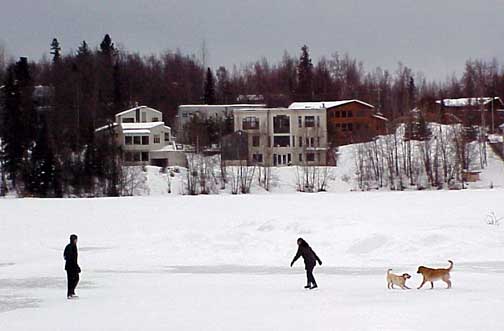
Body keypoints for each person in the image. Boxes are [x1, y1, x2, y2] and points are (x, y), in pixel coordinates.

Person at [64, 234, 81, 299]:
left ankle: (72, 292)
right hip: (70, 267)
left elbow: (65, 256)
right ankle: (70, 294)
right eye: (75, 239)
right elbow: (68, 257)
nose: (76, 241)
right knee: (72, 280)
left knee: (75, 279)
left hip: (71, 266)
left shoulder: (72, 246)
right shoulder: (70, 247)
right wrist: (75, 266)